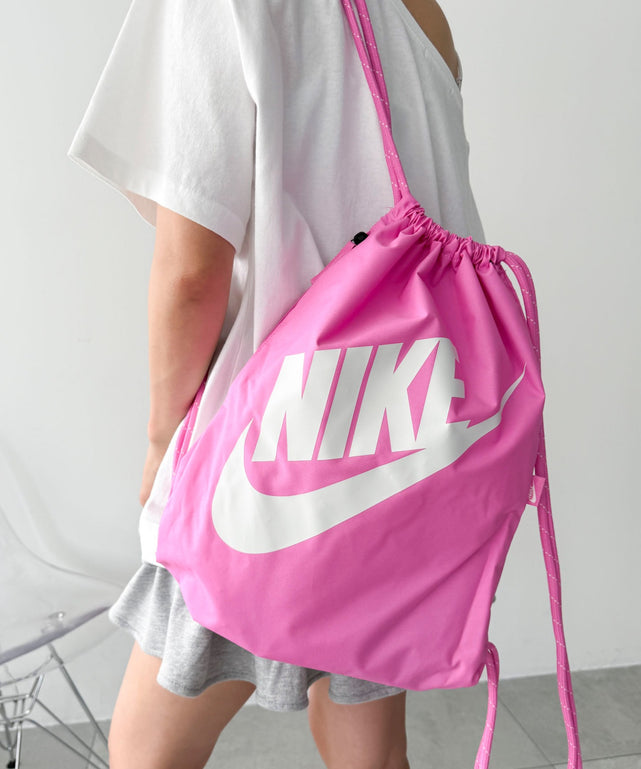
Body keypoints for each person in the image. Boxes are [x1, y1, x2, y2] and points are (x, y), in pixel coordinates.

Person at [67, 0, 485, 767]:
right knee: (368, 751)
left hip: (260, 464)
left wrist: (163, 443)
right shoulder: (420, 12)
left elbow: (192, 268)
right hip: (400, 441)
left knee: (146, 753)